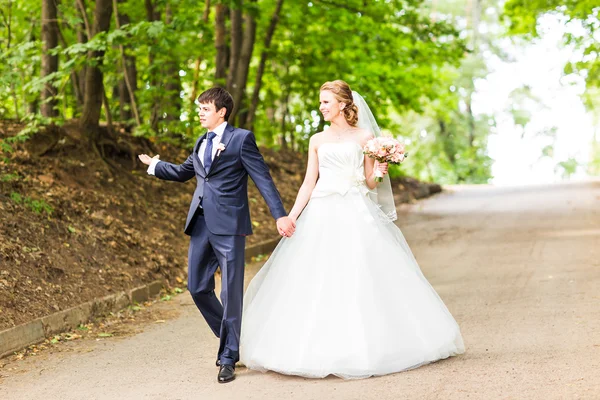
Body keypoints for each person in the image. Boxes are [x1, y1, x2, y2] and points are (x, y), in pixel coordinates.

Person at [239, 80, 465, 379]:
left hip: (356, 209)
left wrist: (380, 171)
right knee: (317, 274)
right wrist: (290, 216)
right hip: (322, 210)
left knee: (361, 271)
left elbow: (370, 182)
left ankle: (373, 346)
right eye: (320, 102)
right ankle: (312, 347)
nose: (321, 107)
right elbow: (309, 182)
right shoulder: (316, 140)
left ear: (343, 104)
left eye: (326, 102)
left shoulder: (366, 138)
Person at [138, 87, 295, 384]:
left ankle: (228, 357)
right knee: (197, 287)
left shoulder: (241, 139)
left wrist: (280, 214)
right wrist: (155, 166)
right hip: (200, 224)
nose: (199, 112)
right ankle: (230, 339)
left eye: (205, 108)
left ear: (221, 111)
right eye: (199, 108)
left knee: (230, 291)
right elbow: (185, 173)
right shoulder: (201, 140)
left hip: (230, 225)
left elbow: (262, 178)